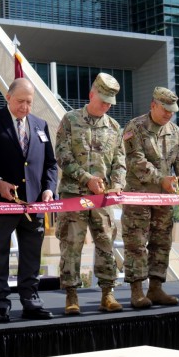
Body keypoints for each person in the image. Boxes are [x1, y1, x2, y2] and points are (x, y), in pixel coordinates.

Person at [0, 78, 58, 322]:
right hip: (0, 202)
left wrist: (48, 190)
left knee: (32, 254)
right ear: (8, 97)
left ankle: (30, 299)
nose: (25, 106)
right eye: (20, 101)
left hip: (33, 204)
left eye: (29, 102)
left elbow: (50, 165)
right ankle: (0, 303)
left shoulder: (40, 125)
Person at [55, 73, 126, 315]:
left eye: (110, 102)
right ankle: (71, 296)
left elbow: (120, 162)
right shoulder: (70, 120)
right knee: (71, 245)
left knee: (106, 244)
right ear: (91, 94)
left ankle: (108, 294)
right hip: (73, 195)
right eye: (103, 100)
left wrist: (117, 185)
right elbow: (62, 156)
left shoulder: (114, 127)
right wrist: (87, 179)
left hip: (102, 199)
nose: (106, 105)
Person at [122, 87, 179, 308]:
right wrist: (161, 179)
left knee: (161, 242)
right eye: (165, 110)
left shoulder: (175, 131)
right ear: (153, 105)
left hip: (165, 200)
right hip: (139, 197)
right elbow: (135, 161)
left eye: (172, 111)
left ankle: (156, 288)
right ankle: (136, 291)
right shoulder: (135, 127)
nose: (169, 115)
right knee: (136, 244)